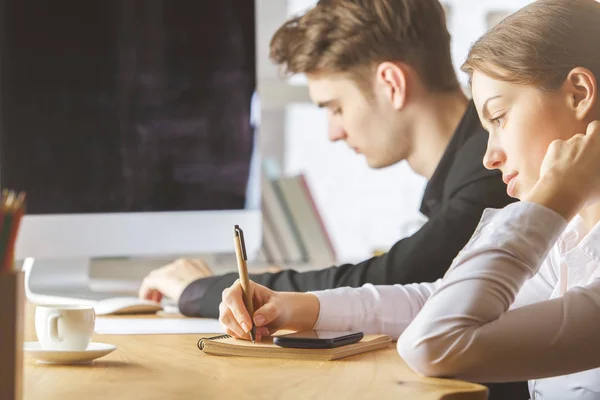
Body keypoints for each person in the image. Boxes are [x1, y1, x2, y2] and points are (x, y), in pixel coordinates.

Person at [218, 0, 600, 398]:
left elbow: (436, 342)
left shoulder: (555, 225)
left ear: (578, 93)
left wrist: (548, 202)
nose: (489, 156)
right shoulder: (570, 247)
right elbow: (435, 301)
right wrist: (299, 307)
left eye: (499, 117)